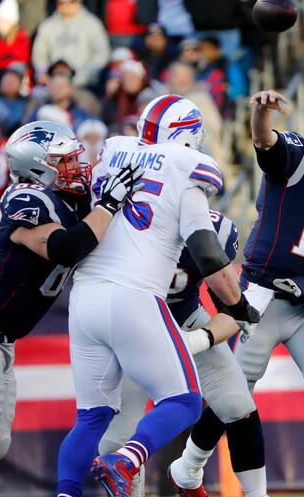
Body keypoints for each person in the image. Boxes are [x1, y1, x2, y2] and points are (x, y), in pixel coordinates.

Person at [168, 90, 304, 497]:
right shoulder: (300, 157)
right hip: (261, 296)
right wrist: (260, 112)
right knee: (235, 393)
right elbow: (264, 141)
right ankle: (189, 466)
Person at [54, 94, 260, 497]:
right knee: (184, 401)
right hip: (135, 298)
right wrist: (237, 306)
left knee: (92, 416)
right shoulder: (188, 170)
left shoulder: (113, 152)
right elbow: (206, 251)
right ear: (190, 137)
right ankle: (127, 460)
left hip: (84, 297)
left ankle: (65, 493)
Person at [0, 121, 142, 495]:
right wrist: (109, 204)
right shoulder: (26, 197)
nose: (77, 167)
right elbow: (62, 248)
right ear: (37, 167)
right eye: (65, 161)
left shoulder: (67, 200)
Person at [98, 210, 264, 497]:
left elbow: (229, 309)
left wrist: (197, 340)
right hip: (131, 329)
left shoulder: (218, 230)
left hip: (185, 322)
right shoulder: (127, 223)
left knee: (239, 405)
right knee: (115, 442)